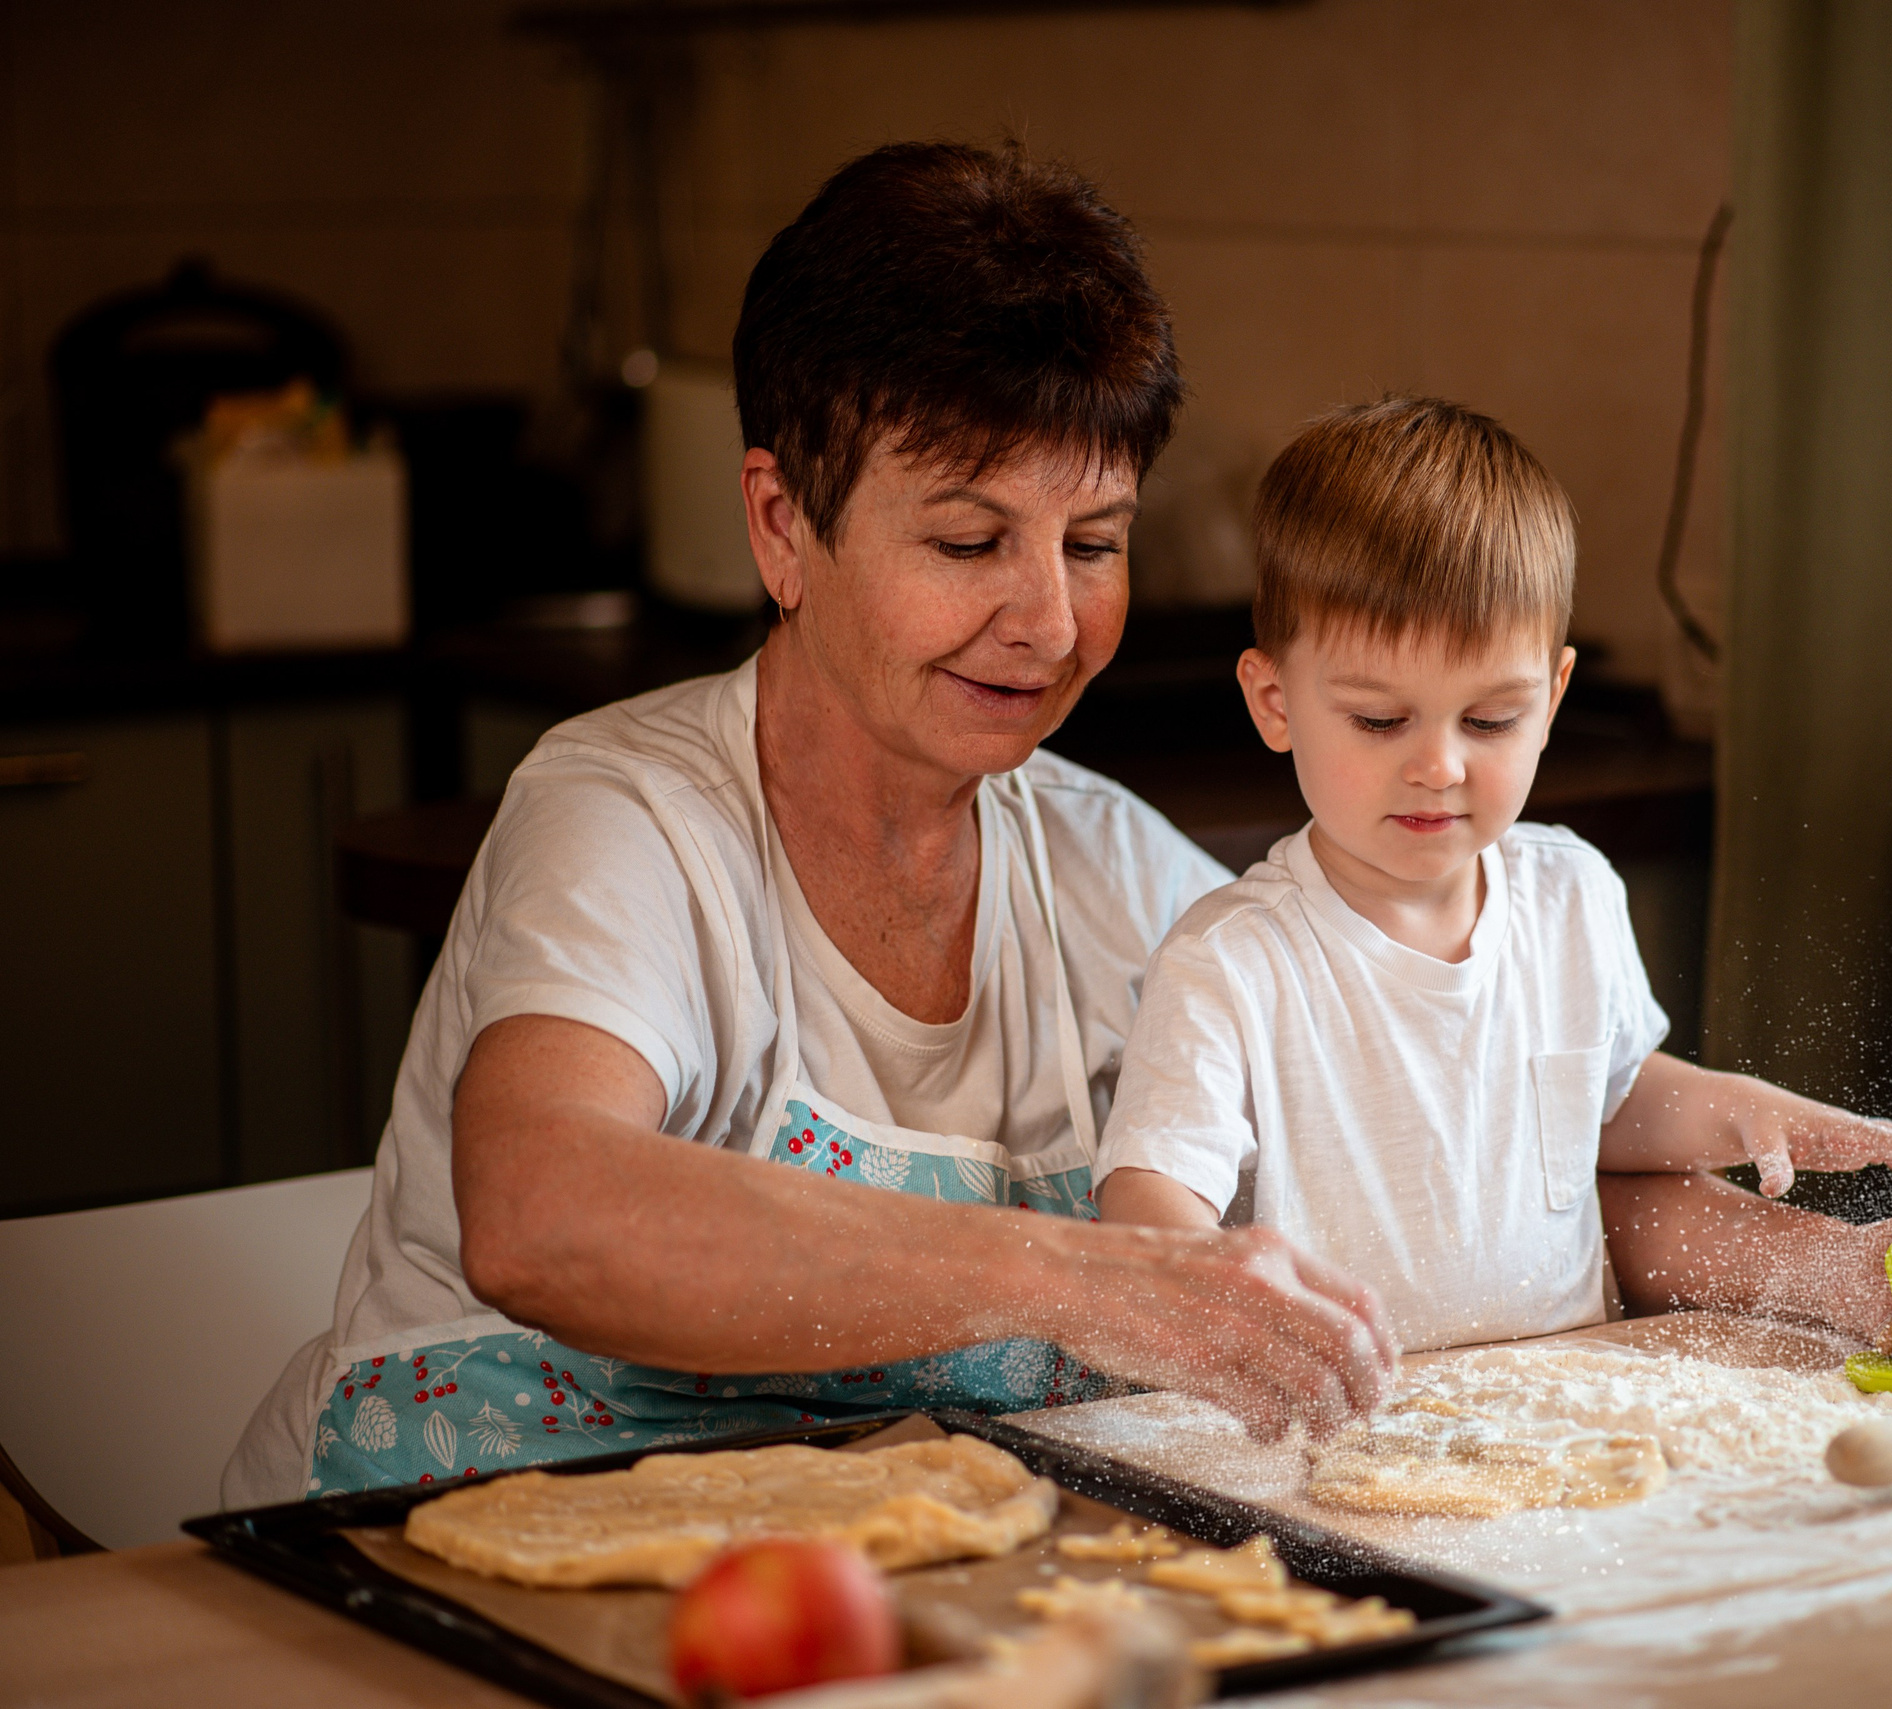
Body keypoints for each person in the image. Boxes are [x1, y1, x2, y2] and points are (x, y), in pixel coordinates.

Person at [223, 144, 1396, 1508]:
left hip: (867, 1596)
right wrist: (1087, 1279)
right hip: (410, 1571)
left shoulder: (1115, 867)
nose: (1051, 622)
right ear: (783, 525)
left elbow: (1425, 1082)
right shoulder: (628, 815)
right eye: (967, 543)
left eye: (1092, 542)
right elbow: (546, 1215)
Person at [1095, 398, 1892, 1363]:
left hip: (1562, 1410)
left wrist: (1744, 1106)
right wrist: (1235, 1302)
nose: (1440, 766)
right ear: (1274, 701)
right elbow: (1148, 1197)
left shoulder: (1569, 895)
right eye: (1381, 720)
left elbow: (1606, 1103)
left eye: (1491, 720)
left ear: (1550, 699)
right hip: (1336, 1432)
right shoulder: (1232, 961)